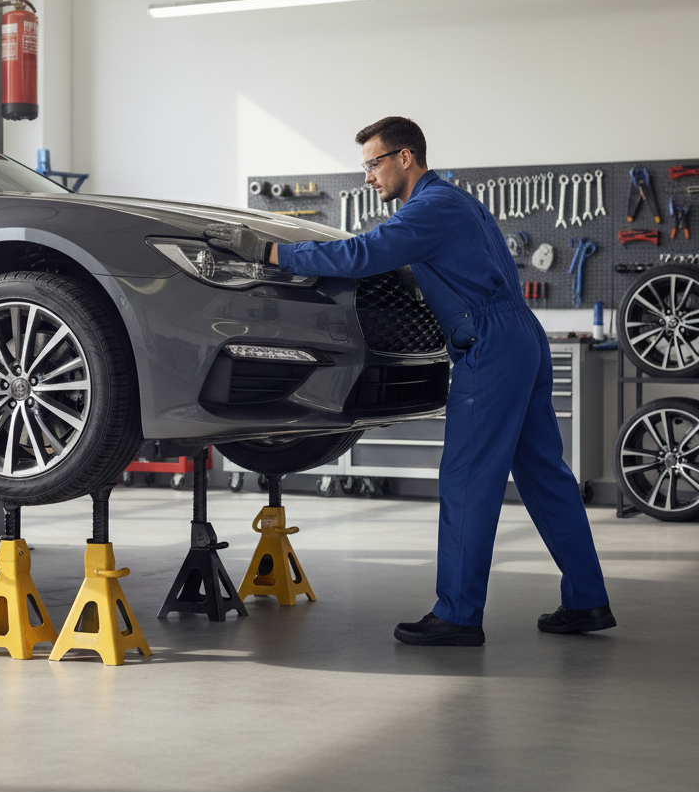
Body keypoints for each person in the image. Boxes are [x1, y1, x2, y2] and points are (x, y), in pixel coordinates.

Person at [205, 116, 615, 646]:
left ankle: (459, 615)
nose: (368, 178)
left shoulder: (429, 208)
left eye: (373, 163)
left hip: (489, 345)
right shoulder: (457, 201)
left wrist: (270, 252)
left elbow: (359, 255)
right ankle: (587, 600)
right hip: (522, 337)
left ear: (404, 158)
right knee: (544, 474)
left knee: (468, 478)